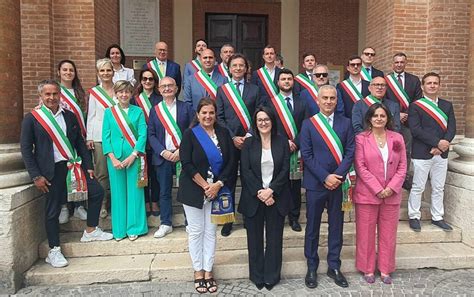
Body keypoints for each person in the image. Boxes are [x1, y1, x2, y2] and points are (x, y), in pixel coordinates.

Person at [20, 79, 113, 268]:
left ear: (60, 95)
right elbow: (25, 149)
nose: (52, 97)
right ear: (41, 96)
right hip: (50, 171)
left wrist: (88, 166)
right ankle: (53, 250)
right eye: (47, 94)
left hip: (74, 167)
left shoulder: (69, 116)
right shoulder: (32, 119)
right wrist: (36, 175)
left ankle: (90, 230)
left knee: (97, 192)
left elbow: (79, 142)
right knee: (53, 210)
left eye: (55, 94)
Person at [177, 98, 235, 294]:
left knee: (210, 232)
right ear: (198, 115)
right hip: (194, 189)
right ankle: (198, 271)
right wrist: (205, 186)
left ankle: (209, 271)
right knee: (195, 231)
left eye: (211, 113)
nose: (208, 116)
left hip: (217, 190)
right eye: (204, 113)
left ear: (215, 114)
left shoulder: (224, 134)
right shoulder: (190, 135)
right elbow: (186, 163)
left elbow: (231, 163)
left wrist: (217, 185)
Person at [300, 85, 355, 289]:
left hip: (338, 184)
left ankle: (334, 266)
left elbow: (350, 151)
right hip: (316, 183)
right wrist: (325, 176)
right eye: (325, 98)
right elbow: (306, 155)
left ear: (336, 100)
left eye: (332, 98)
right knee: (312, 227)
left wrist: (337, 176)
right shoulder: (308, 124)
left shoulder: (346, 123)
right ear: (317, 100)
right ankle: (312, 266)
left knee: (336, 227)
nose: (329, 101)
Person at [353, 103, 407, 284]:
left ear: (388, 118)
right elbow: (360, 166)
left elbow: (402, 166)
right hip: (368, 194)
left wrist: (391, 187)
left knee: (388, 234)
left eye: (382, 116)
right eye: (375, 115)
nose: (379, 119)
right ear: (369, 118)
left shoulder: (397, 138)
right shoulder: (361, 138)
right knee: (365, 233)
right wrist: (377, 188)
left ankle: (385, 269)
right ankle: (367, 268)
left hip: (391, 195)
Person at [239, 106, 290, 290]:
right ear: (255, 123)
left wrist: (271, 191)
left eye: (266, 119)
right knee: (254, 240)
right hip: (254, 197)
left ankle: (272, 276)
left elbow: (285, 170)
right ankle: (257, 276)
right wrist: (261, 191)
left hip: (276, 197)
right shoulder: (248, 143)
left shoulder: (282, 142)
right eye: (260, 120)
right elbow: (245, 171)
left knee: (275, 239)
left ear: (272, 121)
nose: (263, 123)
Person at [216, 53, 260, 236]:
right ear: (229, 68)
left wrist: (249, 135)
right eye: (235, 65)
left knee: (250, 180)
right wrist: (233, 137)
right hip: (230, 142)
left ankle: (249, 217)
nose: (238, 68)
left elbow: (259, 114)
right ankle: (228, 218)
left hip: (250, 142)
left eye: (242, 65)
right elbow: (219, 117)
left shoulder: (255, 90)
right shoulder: (222, 90)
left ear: (246, 68)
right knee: (229, 180)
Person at [407, 72, 456, 232]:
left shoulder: (447, 105)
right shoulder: (415, 105)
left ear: (439, 85)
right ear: (423, 86)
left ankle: (437, 217)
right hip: (422, 152)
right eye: (429, 83)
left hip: (441, 153)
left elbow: (452, 128)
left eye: (435, 83)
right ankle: (414, 215)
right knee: (418, 187)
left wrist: (442, 145)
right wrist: (437, 143)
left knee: (438, 187)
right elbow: (416, 130)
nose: (432, 85)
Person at [148, 76, 194, 238]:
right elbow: (151, 135)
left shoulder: (186, 108)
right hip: (163, 156)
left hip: (183, 156)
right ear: (159, 90)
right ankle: (166, 223)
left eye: (170, 85)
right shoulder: (155, 110)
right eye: (163, 86)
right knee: (164, 191)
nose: (167, 88)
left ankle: (190, 222)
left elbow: (192, 130)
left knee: (187, 190)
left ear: (176, 88)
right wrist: (163, 152)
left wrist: (181, 150)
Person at [102, 80, 148, 241]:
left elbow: (143, 134)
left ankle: (134, 227)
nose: (124, 95)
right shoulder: (109, 112)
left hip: (134, 157)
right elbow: (105, 137)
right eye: (120, 92)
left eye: (127, 92)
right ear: (116, 93)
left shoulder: (138, 112)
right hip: (115, 158)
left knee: (135, 192)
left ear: (131, 94)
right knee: (118, 193)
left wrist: (134, 154)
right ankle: (119, 230)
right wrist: (112, 158)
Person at [266, 68, 308, 232]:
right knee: (279, 183)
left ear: (293, 81)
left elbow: (306, 126)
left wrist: (295, 143)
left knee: (295, 186)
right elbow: (269, 127)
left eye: (289, 79)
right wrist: (285, 143)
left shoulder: (301, 102)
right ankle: (278, 215)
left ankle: (294, 217)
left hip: (297, 150)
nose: (286, 81)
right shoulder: (270, 103)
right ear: (278, 82)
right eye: (283, 79)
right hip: (277, 148)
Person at [56, 59, 88, 224]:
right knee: (64, 173)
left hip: (78, 138)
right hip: (60, 138)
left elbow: (85, 115)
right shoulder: (55, 91)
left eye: (71, 70)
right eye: (65, 70)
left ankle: (79, 206)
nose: (68, 73)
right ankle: (63, 206)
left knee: (79, 171)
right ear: (59, 72)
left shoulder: (79, 92)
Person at [385, 52, 423, 190]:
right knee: (389, 150)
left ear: (405, 63)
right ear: (392, 63)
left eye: (402, 62)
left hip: (408, 122)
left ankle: (404, 177)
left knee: (406, 151)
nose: (399, 64)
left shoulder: (414, 80)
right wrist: (396, 114)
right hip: (389, 122)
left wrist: (406, 114)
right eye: (396, 62)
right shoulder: (386, 80)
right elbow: (383, 100)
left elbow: (418, 101)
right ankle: (389, 176)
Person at [87, 58, 116, 218]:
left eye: (108, 70)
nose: (106, 73)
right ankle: (103, 203)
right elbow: (91, 115)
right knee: (102, 173)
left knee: (117, 171)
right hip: (99, 137)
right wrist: (89, 137)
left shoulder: (119, 90)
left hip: (118, 136)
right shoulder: (94, 92)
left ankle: (117, 202)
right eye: (102, 71)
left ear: (113, 71)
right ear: (98, 73)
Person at [131, 69, 162, 216]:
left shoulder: (160, 98)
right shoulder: (134, 99)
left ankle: (154, 201)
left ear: (155, 81)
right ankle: (144, 201)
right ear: (141, 80)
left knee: (155, 174)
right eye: (144, 78)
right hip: (139, 142)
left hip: (155, 142)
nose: (147, 81)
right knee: (142, 172)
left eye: (151, 79)